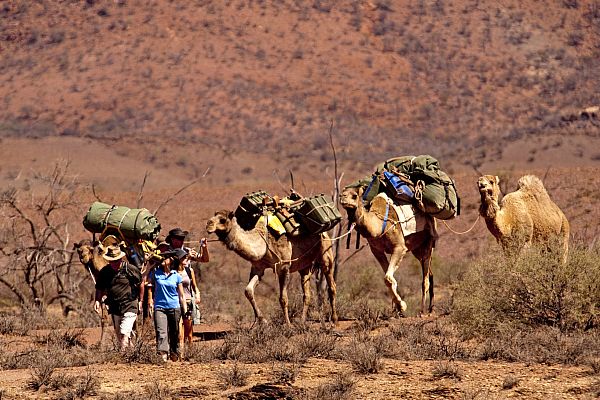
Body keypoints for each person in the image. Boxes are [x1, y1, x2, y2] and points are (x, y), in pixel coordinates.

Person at [165, 228, 210, 346]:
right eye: (178, 238)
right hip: (171, 295)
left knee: (189, 328)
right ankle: (177, 350)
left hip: (187, 294)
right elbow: (170, 269)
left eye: (182, 238)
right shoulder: (166, 252)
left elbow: (205, 259)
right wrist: (187, 257)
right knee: (176, 328)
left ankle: (189, 352)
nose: (181, 241)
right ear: (172, 240)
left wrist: (204, 247)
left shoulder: (186, 250)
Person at [94, 245, 142, 351]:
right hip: (115, 306)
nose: (114, 263)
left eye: (116, 261)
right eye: (112, 261)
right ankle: (133, 353)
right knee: (120, 334)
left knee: (124, 332)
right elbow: (99, 287)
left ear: (120, 259)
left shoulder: (130, 269)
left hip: (130, 304)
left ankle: (122, 358)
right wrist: (97, 300)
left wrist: (141, 301)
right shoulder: (105, 272)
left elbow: (141, 284)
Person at [147, 248, 188, 362]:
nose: (163, 260)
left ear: (172, 260)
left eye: (166, 258)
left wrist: (185, 310)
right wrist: (149, 267)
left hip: (174, 307)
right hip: (159, 307)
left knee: (174, 331)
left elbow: (181, 295)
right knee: (161, 331)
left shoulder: (176, 276)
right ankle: (163, 354)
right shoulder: (156, 273)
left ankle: (174, 352)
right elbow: (146, 283)